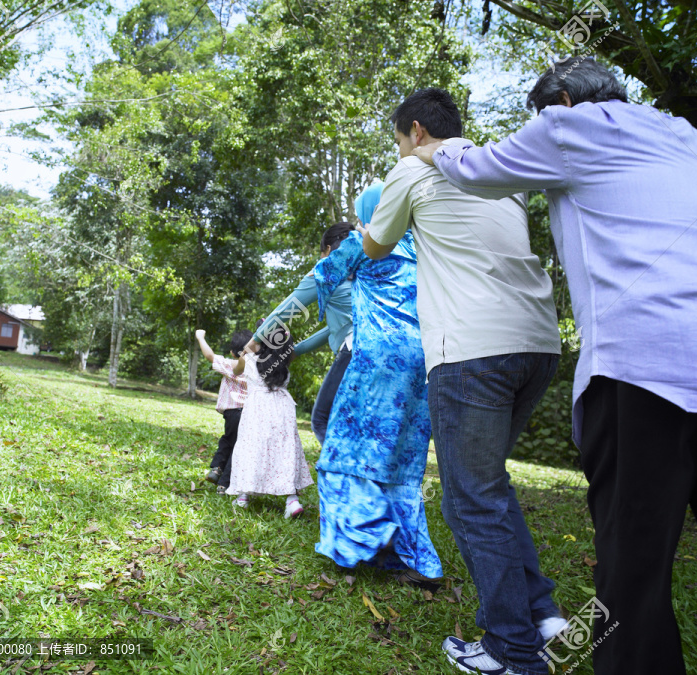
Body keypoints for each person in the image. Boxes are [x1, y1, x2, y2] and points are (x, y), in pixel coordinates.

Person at [412, 58, 697, 675]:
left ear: (559, 100)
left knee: (632, 571)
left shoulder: (568, 127)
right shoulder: (691, 139)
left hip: (644, 374)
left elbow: (475, 168)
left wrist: (431, 150)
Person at [363, 88, 566, 675]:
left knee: (469, 501)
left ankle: (512, 652)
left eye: (401, 138)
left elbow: (377, 246)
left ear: (416, 131)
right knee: (488, 490)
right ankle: (545, 617)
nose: (401, 148)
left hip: (471, 351)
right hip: (537, 343)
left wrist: (372, 220)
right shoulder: (501, 166)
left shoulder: (409, 168)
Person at [312, 187, 443, 588]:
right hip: (421, 364)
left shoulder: (362, 243)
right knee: (402, 460)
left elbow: (324, 274)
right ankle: (417, 561)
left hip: (377, 360)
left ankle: (364, 538)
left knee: (345, 448)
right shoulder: (423, 250)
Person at [247, 223, 355, 445]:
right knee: (355, 421)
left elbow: (289, 309)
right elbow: (334, 329)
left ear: (327, 249)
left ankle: (343, 474)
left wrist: (254, 341)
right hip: (382, 346)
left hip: (355, 349)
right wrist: (295, 351)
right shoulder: (357, 271)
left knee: (322, 420)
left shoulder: (325, 269)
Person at [226, 324, 314, 518]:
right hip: (282, 408)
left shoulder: (247, 359)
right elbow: (306, 344)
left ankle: (243, 497)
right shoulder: (285, 359)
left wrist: (253, 342)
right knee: (284, 449)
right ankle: (292, 500)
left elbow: (237, 370)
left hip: (257, 409)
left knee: (251, 447)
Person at [195, 329, 251, 494]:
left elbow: (210, 356)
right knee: (239, 448)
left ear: (233, 352)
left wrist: (200, 337)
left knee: (227, 440)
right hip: (249, 414)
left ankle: (217, 469)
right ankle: (224, 484)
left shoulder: (231, 364)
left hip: (232, 412)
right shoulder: (256, 368)